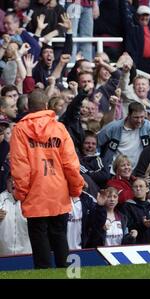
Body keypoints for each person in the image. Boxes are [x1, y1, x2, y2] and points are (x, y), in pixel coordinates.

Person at [9, 90, 84, 269]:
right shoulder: (59, 128)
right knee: (59, 235)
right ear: (46, 106)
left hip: (35, 192)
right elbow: (71, 165)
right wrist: (75, 189)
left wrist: (21, 193)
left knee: (39, 237)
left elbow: (20, 166)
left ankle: (43, 272)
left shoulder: (20, 129)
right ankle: (66, 273)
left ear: (28, 107)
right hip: (58, 191)